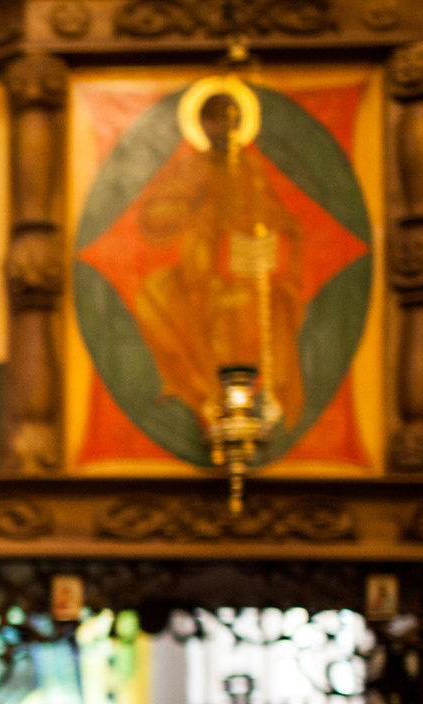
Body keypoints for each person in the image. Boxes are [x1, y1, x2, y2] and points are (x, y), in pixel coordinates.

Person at [126, 91, 305, 443]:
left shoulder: (251, 168)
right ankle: (205, 392)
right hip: (204, 263)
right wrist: (191, 211)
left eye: (234, 120)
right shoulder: (193, 166)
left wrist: (279, 225)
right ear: (205, 125)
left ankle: (267, 398)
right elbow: (153, 218)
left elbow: (272, 210)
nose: (227, 128)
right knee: (159, 298)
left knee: (274, 305)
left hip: (245, 261)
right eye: (218, 120)